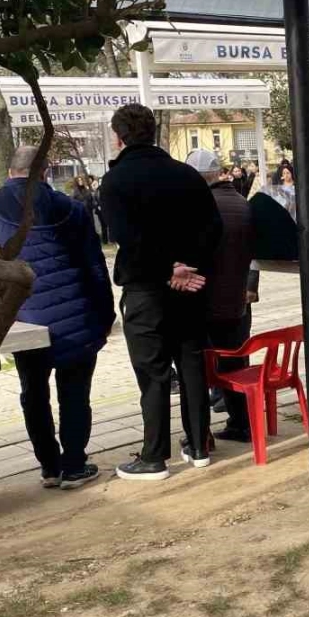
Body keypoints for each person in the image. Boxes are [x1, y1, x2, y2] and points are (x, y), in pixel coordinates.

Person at [0, 146, 115, 490]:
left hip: (22, 318)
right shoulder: (72, 209)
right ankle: (74, 464)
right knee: (75, 394)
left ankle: (49, 465)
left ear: (10, 170)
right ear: (45, 172)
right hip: (76, 315)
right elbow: (95, 266)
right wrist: (105, 314)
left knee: (33, 392)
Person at [100, 104, 222, 481]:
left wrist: (168, 270)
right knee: (191, 364)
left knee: (153, 372)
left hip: (145, 289)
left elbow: (127, 238)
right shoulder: (187, 175)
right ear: (153, 133)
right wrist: (186, 267)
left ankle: (154, 455)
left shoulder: (116, 180)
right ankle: (199, 445)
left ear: (119, 137)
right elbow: (213, 229)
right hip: (189, 286)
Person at [185, 149, 258, 446]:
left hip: (206, 301)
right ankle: (242, 424)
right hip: (238, 301)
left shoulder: (199, 207)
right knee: (237, 364)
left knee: (200, 370)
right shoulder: (243, 203)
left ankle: (201, 435)